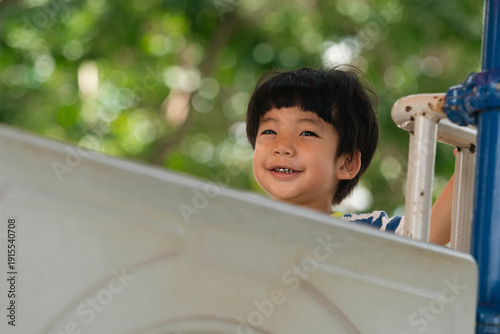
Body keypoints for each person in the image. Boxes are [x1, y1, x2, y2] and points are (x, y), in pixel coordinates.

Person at [246, 66, 452, 245]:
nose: (282, 147)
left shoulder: (364, 233)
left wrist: (474, 155)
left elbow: (430, 231)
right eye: (269, 132)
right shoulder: (236, 227)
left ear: (347, 163)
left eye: (307, 133)